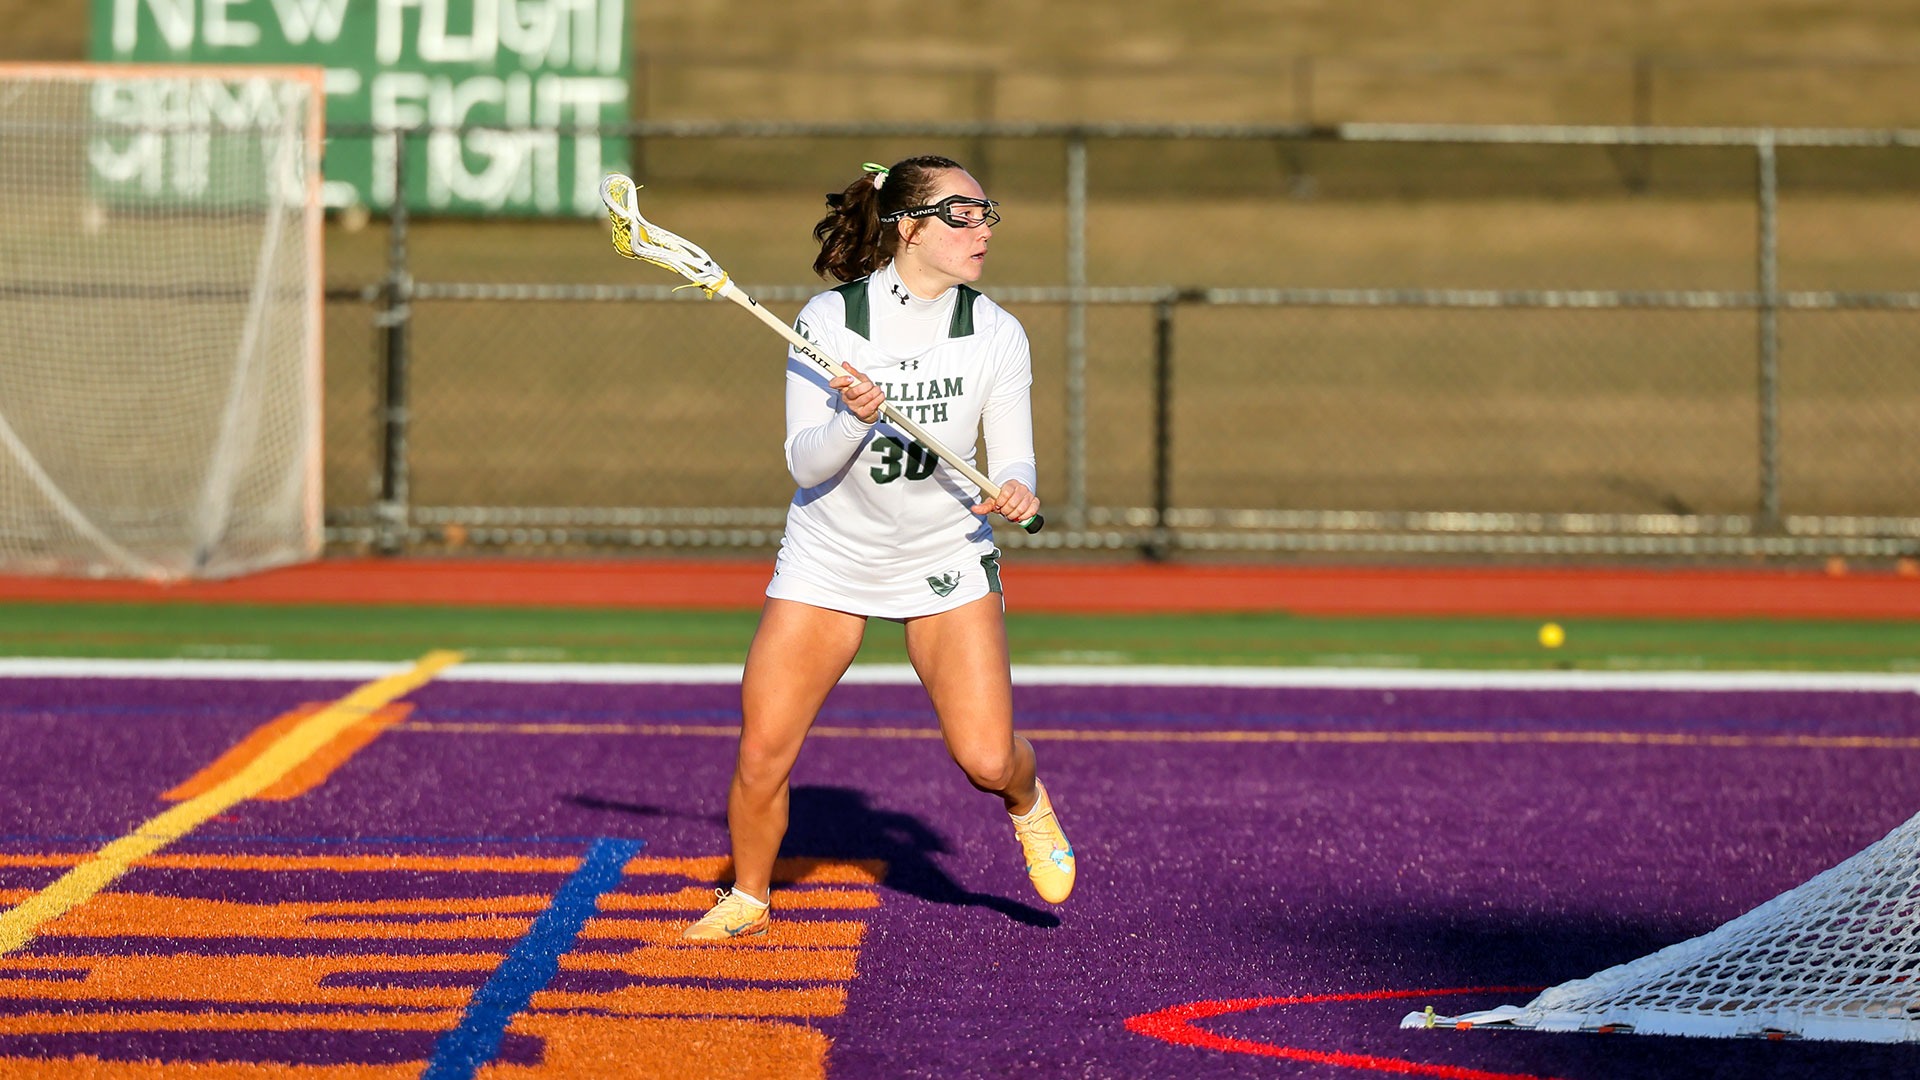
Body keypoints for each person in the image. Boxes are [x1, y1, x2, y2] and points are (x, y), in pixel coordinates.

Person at [683, 155, 1076, 941]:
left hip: (945, 558)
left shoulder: (995, 331)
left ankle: (1028, 803)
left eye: (987, 212)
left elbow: (1016, 455)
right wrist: (855, 417)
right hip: (829, 556)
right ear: (910, 227)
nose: (983, 228)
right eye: (963, 214)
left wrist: (1018, 486)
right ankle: (750, 894)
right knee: (763, 749)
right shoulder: (830, 321)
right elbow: (805, 461)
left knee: (986, 761)